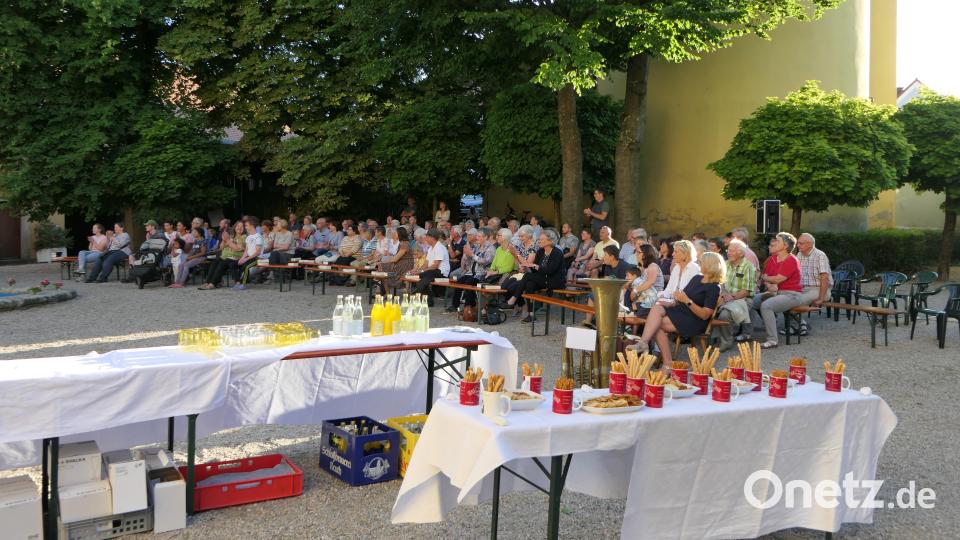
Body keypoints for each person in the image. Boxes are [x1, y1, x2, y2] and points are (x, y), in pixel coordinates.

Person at [633, 252, 725, 363]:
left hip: (695, 319)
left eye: (702, 262)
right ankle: (643, 343)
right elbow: (682, 298)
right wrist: (671, 303)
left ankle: (666, 362)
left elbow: (705, 315)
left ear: (710, 265)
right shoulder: (696, 278)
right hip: (681, 311)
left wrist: (687, 301)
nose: (699, 264)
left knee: (656, 325)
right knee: (657, 307)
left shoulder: (714, 287)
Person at [750, 232, 803, 349]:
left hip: (792, 294)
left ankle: (772, 340)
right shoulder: (772, 259)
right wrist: (769, 283)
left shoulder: (791, 260)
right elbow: (766, 275)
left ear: (785, 246)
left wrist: (769, 280)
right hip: (775, 293)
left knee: (767, 306)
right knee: (750, 301)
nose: (773, 242)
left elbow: (778, 278)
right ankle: (747, 333)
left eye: (777, 241)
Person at [500, 229, 565, 323]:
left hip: (554, 281)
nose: (539, 241)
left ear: (550, 241)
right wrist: (527, 267)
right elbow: (535, 269)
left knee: (528, 276)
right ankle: (531, 315)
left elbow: (550, 270)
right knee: (529, 283)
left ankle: (513, 299)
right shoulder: (540, 251)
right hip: (542, 279)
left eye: (542, 239)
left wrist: (534, 266)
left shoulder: (557, 253)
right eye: (539, 239)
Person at [713, 239, 757, 350]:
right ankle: (714, 337)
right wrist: (723, 293)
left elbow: (746, 291)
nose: (728, 252)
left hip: (743, 299)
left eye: (732, 250)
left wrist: (730, 297)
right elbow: (720, 282)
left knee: (724, 314)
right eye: (728, 250)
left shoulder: (749, 267)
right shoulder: (725, 264)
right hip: (726, 296)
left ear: (741, 253)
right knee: (708, 306)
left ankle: (726, 340)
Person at [447, 228, 496, 312]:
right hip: (471, 272)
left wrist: (472, 255)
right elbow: (470, 261)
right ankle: (455, 305)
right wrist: (467, 255)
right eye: (477, 236)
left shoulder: (490, 248)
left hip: (482, 274)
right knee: (459, 282)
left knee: (469, 282)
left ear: (486, 237)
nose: (477, 238)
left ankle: (469, 306)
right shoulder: (476, 246)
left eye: (479, 236)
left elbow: (485, 262)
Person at [793, 232, 832, 336]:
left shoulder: (820, 255)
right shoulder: (800, 254)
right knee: (786, 299)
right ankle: (799, 325)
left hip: (818, 289)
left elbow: (825, 278)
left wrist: (821, 298)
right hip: (803, 288)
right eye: (798, 243)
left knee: (794, 302)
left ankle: (799, 327)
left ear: (809, 244)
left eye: (800, 243)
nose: (798, 245)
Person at [582, 245, 630, 327]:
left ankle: (603, 324)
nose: (603, 258)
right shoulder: (607, 266)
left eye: (605, 255)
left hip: (622, 294)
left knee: (600, 297)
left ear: (612, 256)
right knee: (592, 295)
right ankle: (588, 322)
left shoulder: (624, 266)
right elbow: (606, 280)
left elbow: (628, 282)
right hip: (611, 291)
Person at [199, 221, 245, 290]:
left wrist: (228, 240)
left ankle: (212, 284)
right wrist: (224, 240)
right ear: (235, 227)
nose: (239, 228)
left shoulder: (244, 237)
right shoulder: (232, 236)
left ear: (244, 229)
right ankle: (207, 282)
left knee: (222, 263)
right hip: (225, 256)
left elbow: (238, 248)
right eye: (238, 226)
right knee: (215, 261)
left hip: (235, 258)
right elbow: (221, 247)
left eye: (242, 226)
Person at [413, 228, 450, 305]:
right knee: (420, 277)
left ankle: (427, 301)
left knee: (422, 278)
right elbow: (426, 263)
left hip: (441, 272)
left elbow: (436, 265)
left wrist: (422, 271)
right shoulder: (431, 248)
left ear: (432, 238)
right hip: (433, 271)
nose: (425, 238)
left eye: (427, 237)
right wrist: (417, 270)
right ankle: (428, 301)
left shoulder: (440, 247)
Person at [627, 244, 664, 317]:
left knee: (634, 316)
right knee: (629, 313)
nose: (636, 254)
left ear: (645, 255)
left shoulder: (653, 266)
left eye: (638, 252)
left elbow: (650, 282)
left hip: (653, 300)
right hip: (643, 299)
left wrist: (635, 291)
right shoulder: (643, 268)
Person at [378, 227, 415, 295]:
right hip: (401, 263)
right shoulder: (402, 243)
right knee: (382, 267)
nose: (394, 234)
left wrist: (384, 262)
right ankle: (384, 290)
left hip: (405, 265)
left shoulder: (404, 244)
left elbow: (395, 259)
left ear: (400, 234)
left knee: (382, 267)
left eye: (396, 233)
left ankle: (386, 292)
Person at [234, 218, 263, 289]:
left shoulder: (258, 237)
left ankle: (243, 284)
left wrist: (247, 259)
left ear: (252, 226)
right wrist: (242, 258)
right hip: (250, 257)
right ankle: (238, 282)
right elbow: (246, 250)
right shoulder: (249, 237)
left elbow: (257, 252)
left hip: (258, 258)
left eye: (246, 225)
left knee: (246, 267)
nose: (245, 227)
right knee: (235, 264)